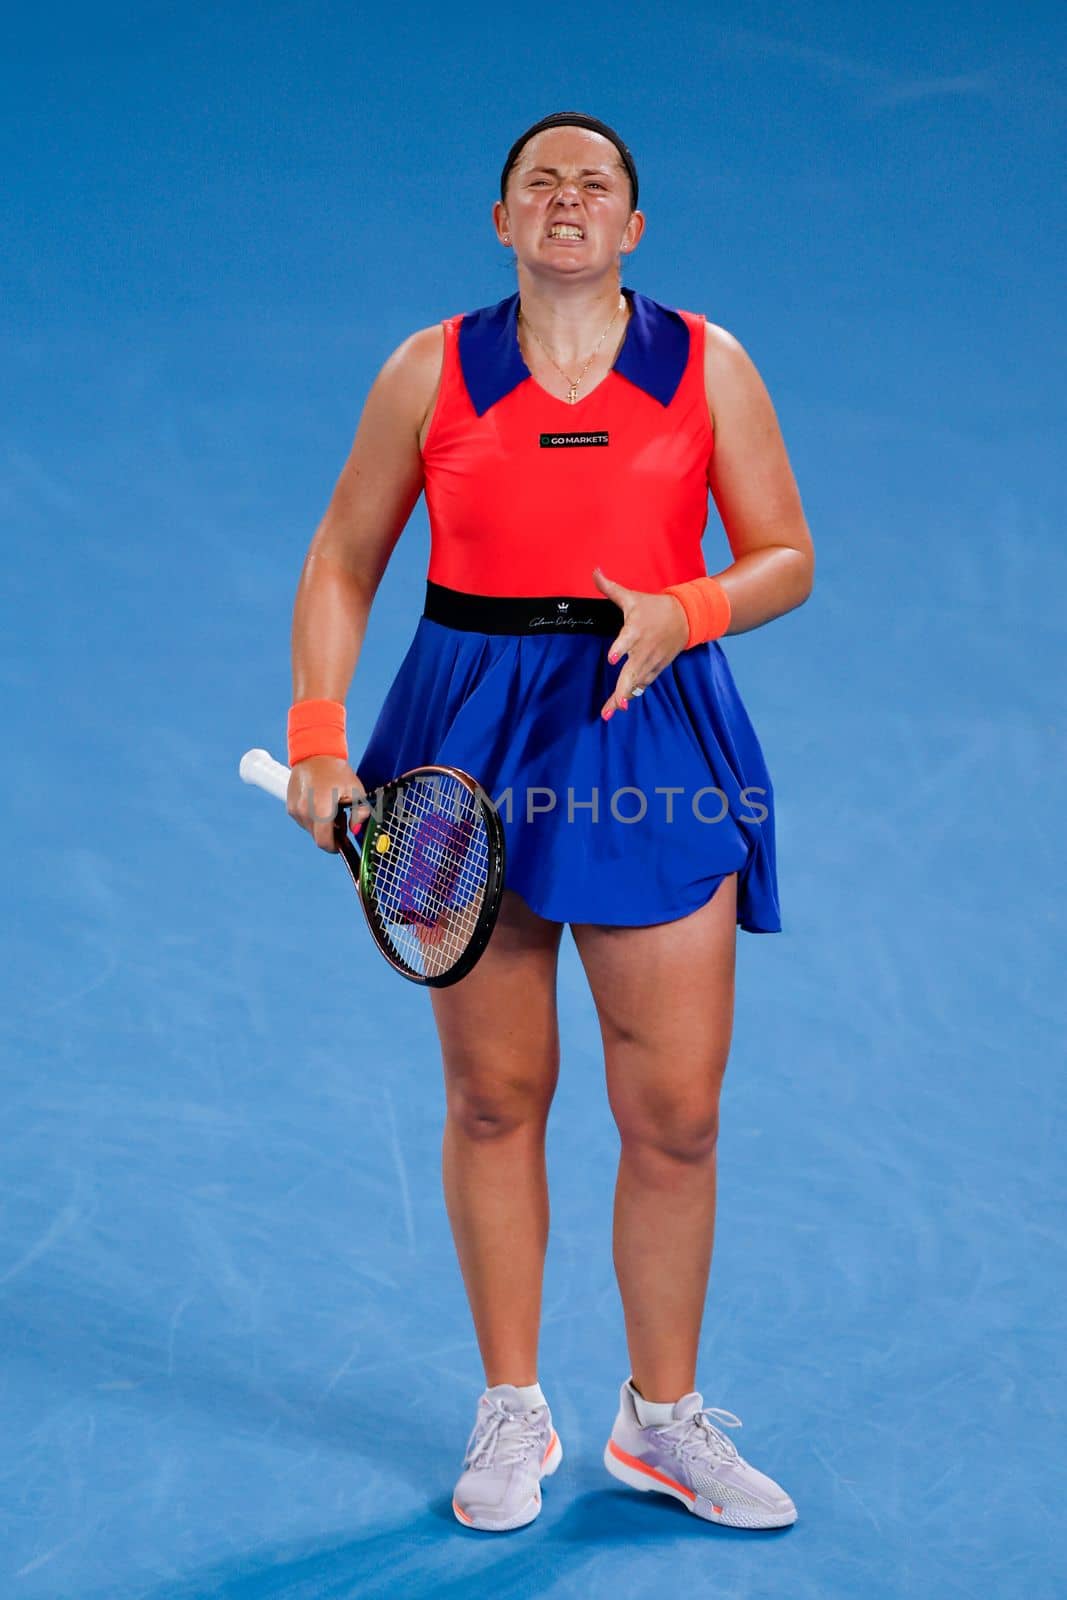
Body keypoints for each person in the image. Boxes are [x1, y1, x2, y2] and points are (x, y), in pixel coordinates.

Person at [286, 111, 814, 1534]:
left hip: (650, 721)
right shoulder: (429, 371)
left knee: (677, 1114)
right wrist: (323, 742)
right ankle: (513, 1407)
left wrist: (685, 607)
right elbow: (343, 559)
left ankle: (662, 1422)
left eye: (597, 186)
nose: (569, 200)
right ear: (504, 221)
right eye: (542, 184)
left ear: (631, 227)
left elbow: (784, 553)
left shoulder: (710, 365)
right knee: (495, 1096)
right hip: (468, 738)